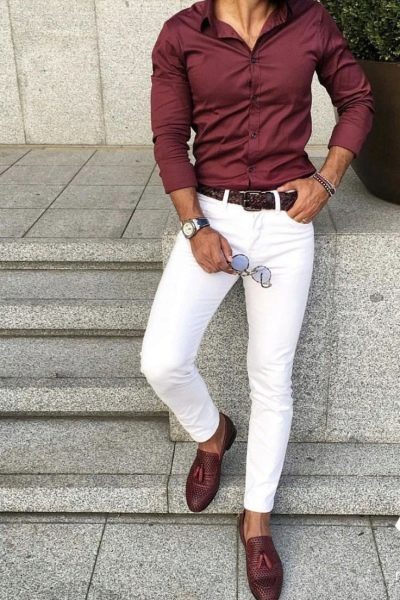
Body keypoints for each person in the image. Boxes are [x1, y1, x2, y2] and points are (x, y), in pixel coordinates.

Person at [140, 0, 374, 598]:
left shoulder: (311, 21)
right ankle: (213, 433)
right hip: (212, 216)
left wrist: (328, 178)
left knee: (272, 374)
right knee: (162, 360)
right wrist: (195, 224)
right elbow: (169, 137)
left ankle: (257, 518)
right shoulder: (181, 34)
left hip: (287, 221)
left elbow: (357, 100)